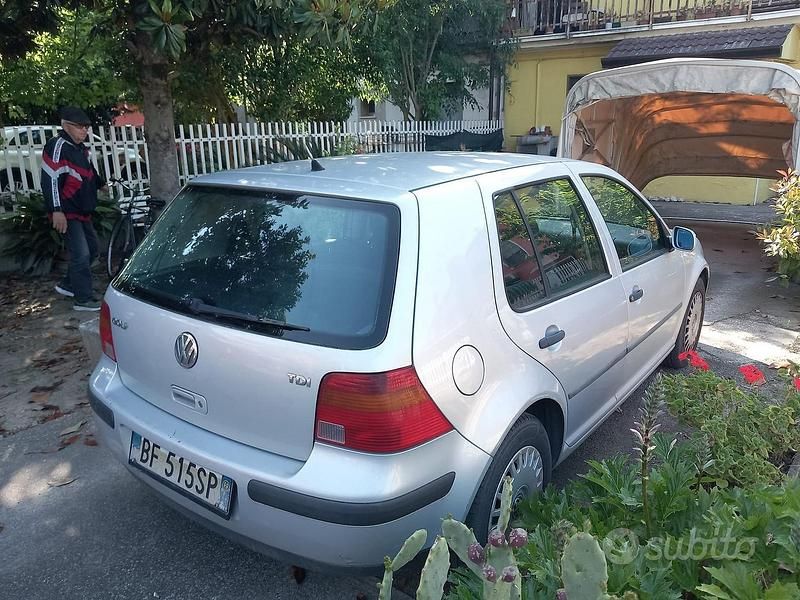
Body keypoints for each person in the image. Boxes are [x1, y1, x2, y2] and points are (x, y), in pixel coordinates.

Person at [41, 106, 107, 311]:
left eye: (86, 126)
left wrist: (100, 183)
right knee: (81, 254)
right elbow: (49, 180)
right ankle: (83, 299)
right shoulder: (56, 146)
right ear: (66, 126)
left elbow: (88, 170)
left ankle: (68, 285)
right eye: (80, 127)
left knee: (93, 249)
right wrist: (56, 210)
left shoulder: (81, 148)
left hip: (82, 210)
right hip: (67, 211)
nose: (85, 130)